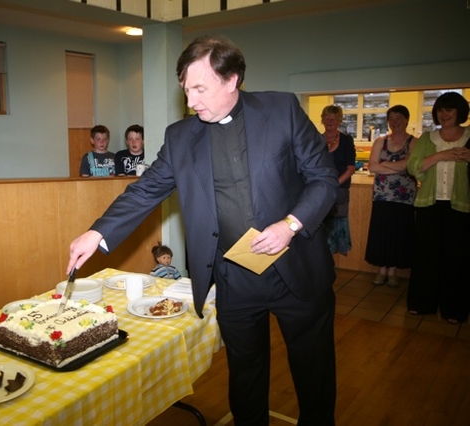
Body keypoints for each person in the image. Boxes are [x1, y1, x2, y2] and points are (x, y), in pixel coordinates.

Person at [67, 35, 339, 425]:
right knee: (245, 376)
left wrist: (290, 224)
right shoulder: (181, 137)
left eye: (200, 88)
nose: (191, 101)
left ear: (232, 80)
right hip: (234, 276)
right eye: (186, 90)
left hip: (295, 268)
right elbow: (146, 189)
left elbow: (324, 180)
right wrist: (97, 233)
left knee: (313, 373)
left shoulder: (282, 109)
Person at [406, 91, 470, 324]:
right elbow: (414, 167)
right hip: (429, 205)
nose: (444, 114)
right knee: (425, 256)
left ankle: (454, 309)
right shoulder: (428, 138)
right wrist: (443, 155)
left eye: (449, 110)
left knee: (458, 258)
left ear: (459, 112)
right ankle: (421, 303)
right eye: (441, 110)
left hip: (461, 207)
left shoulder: (469, 136)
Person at [364, 105, 417, 287]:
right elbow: (372, 166)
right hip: (382, 195)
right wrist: (398, 165)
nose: (395, 122)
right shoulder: (381, 140)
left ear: (406, 120)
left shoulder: (414, 142)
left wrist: (384, 164)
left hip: (404, 197)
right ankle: (381, 271)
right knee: (382, 232)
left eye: (399, 118)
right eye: (391, 118)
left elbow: (409, 166)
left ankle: (393, 272)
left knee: (399, 233)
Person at [321, 105, 356, 255]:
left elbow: (350, 168)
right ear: (322, 120)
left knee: (336, 229)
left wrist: (335, 183)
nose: (330, 121)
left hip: (339, 191)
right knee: (320, 230)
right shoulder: (316, 139)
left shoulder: (346, 140)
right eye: (327, 117)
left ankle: (331, 269)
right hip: (320, 192)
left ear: (339, 121)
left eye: (333, 118)